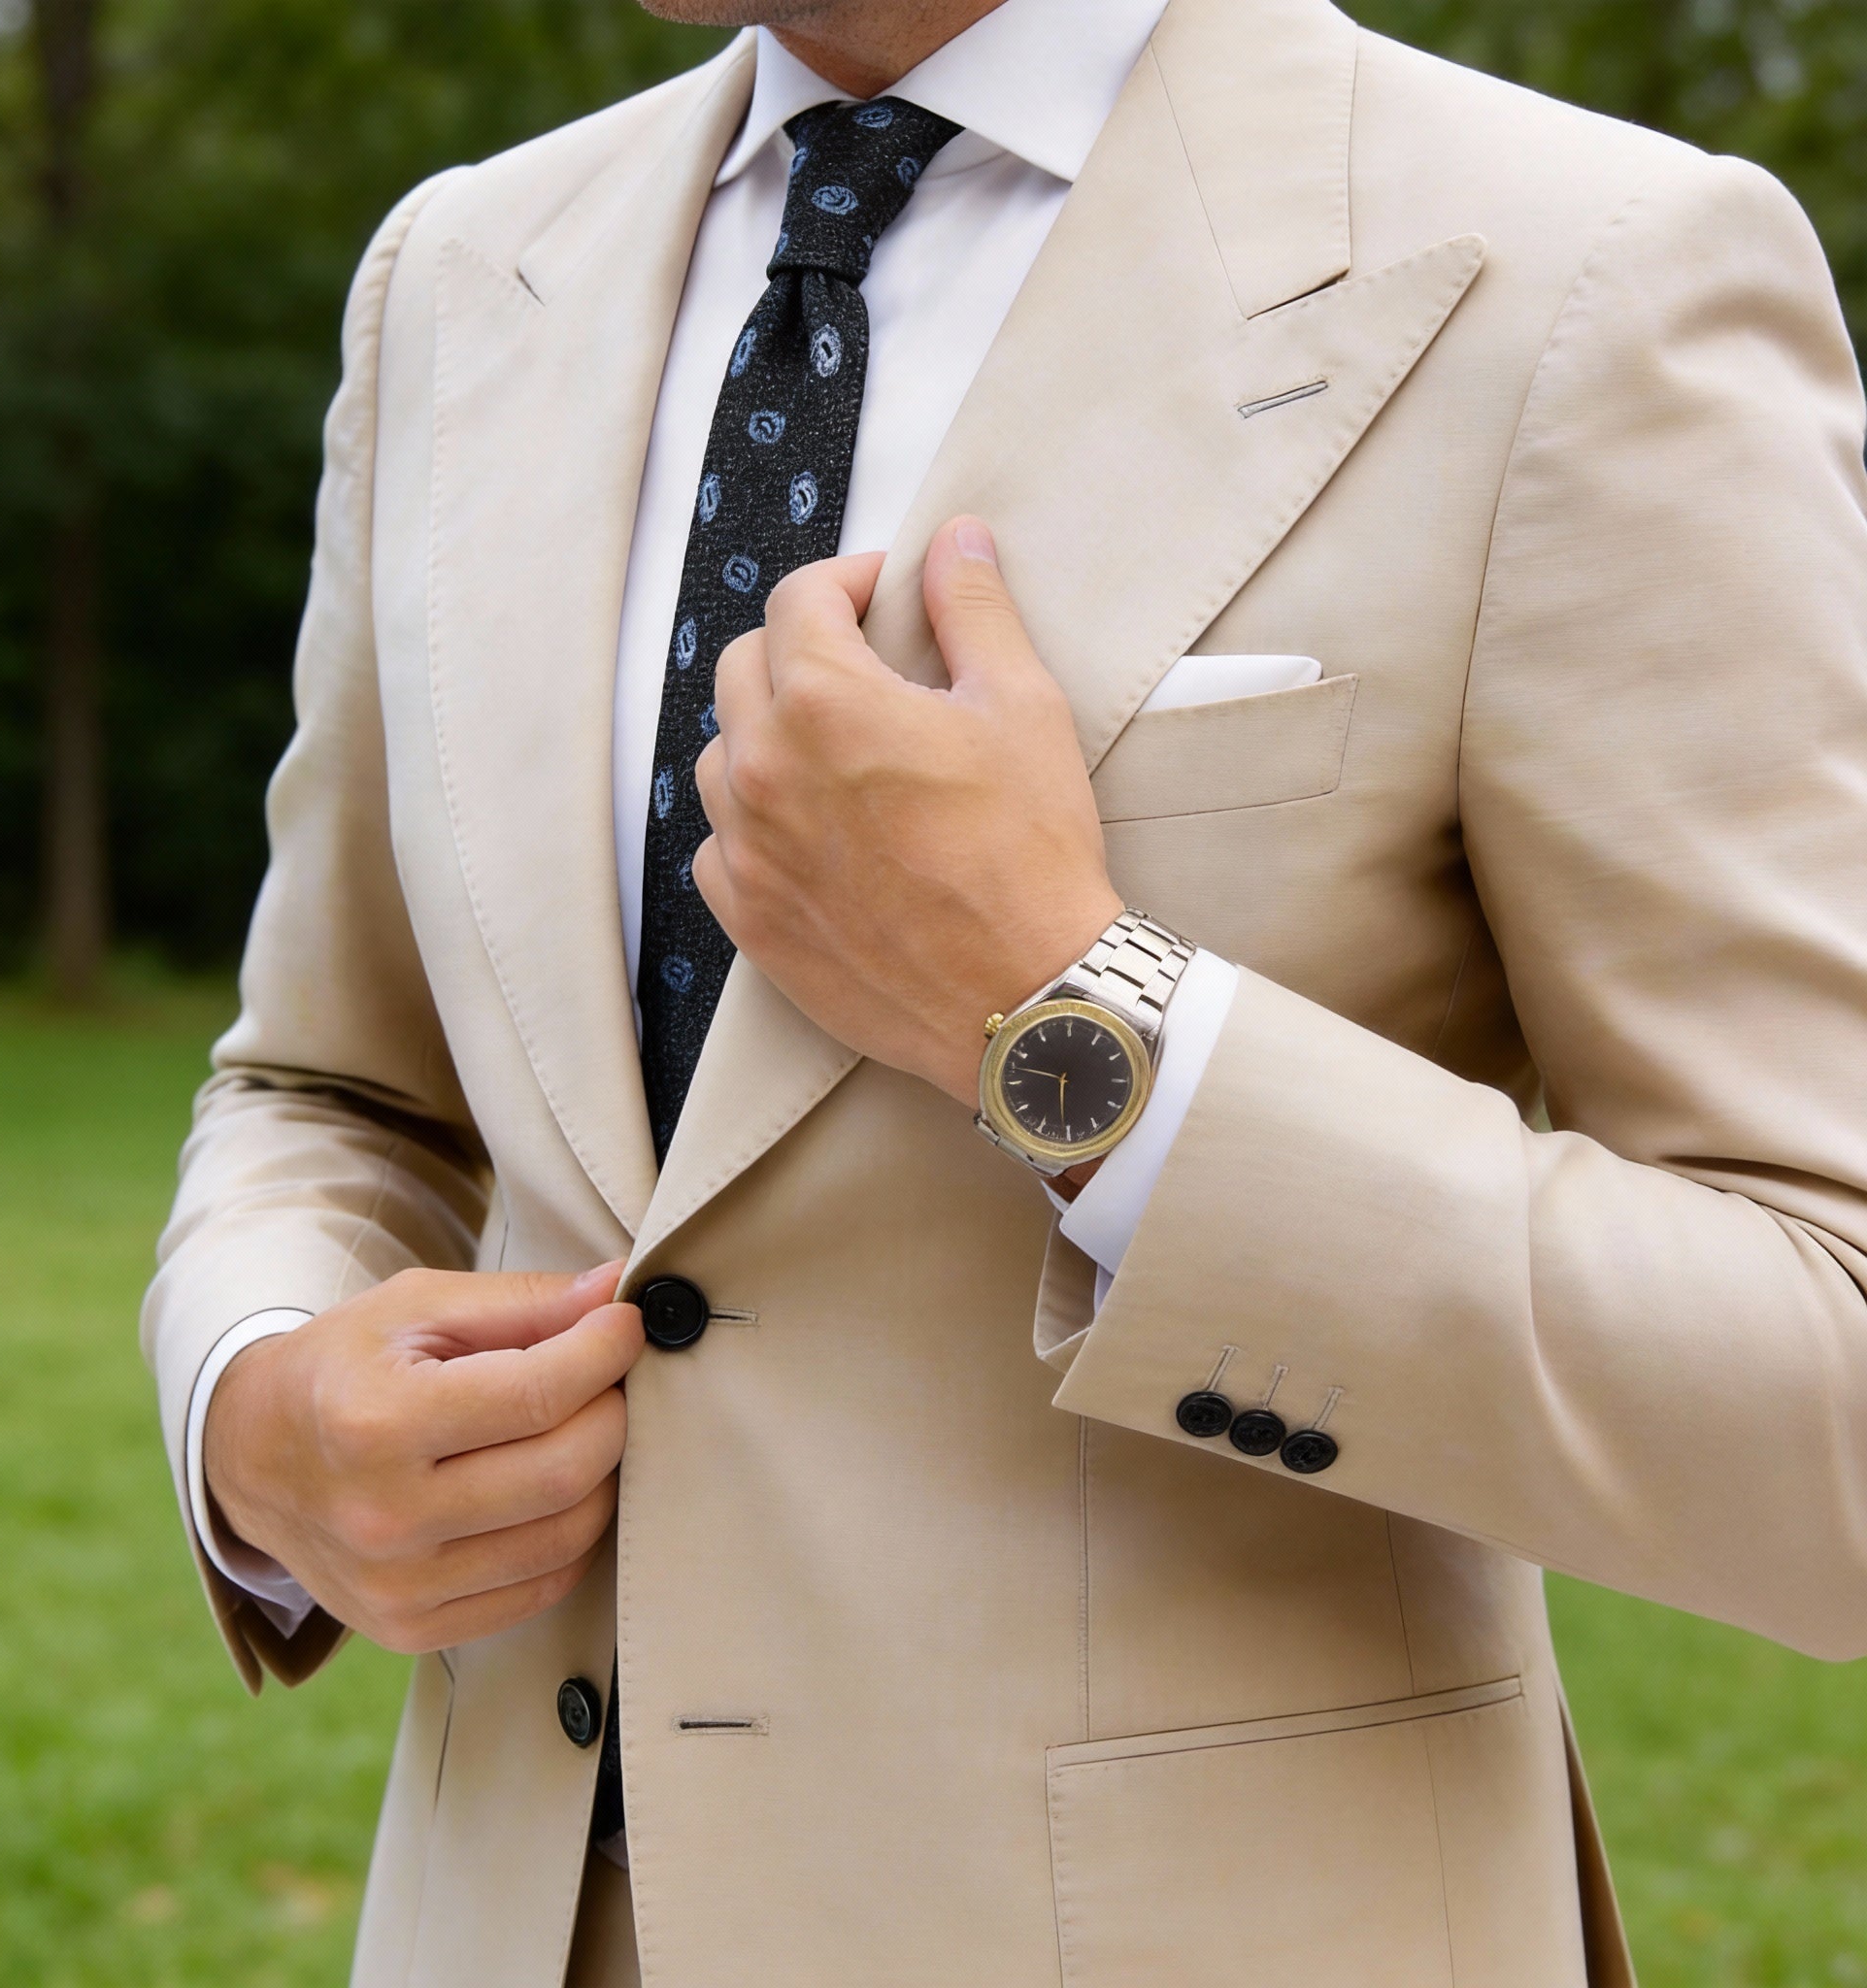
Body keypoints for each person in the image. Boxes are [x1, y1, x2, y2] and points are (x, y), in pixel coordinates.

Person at [142, 0, 1867, 1978]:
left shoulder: (1591, 277)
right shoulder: (455, 272)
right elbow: (328, 1091)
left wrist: (1072, 1025)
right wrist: (252, 1407)